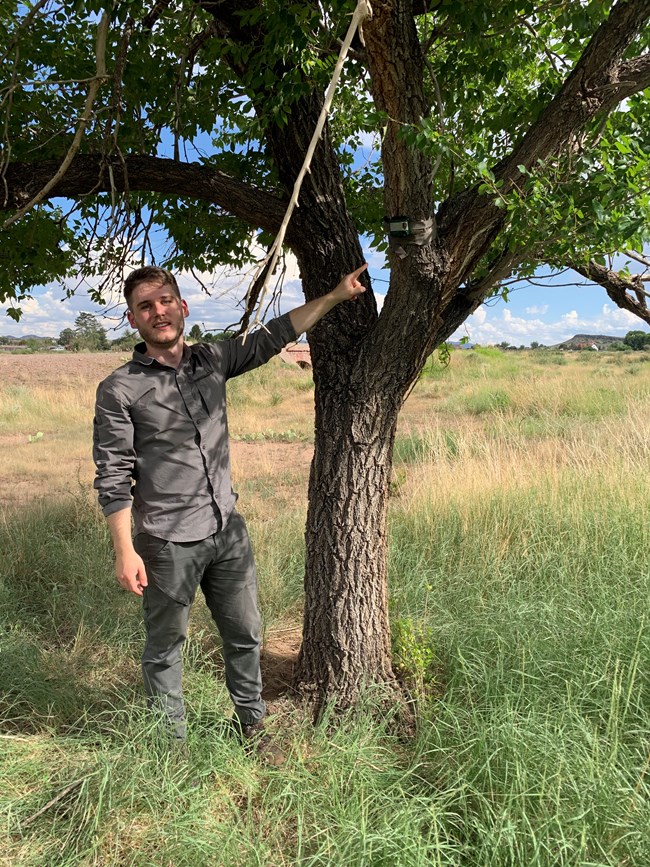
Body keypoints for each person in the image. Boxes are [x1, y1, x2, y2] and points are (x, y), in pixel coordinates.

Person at [93, 263, 367, 761]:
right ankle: (171, 750)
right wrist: (125, 550)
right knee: (165, 649)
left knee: (245, 635)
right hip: (166, 541)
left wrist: (332, 297)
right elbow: (113, 477)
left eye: (165, 301)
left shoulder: (212, 360)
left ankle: (253, 727)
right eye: (145, 307)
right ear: (133, 320)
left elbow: (274, 335)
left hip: (227, 532)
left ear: (183, 307)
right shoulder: (120, 389)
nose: (158, 312)